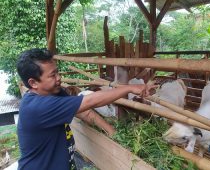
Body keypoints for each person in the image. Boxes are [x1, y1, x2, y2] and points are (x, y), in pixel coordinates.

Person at [16, 48, 156, 170]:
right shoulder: (37, 107)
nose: (59, 78)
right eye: (52, 75)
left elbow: (84, 111)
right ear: (33, 83)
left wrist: (112, 132)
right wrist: (130, 88)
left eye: (57, 72)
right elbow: (90, 101)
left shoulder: (55, 93)